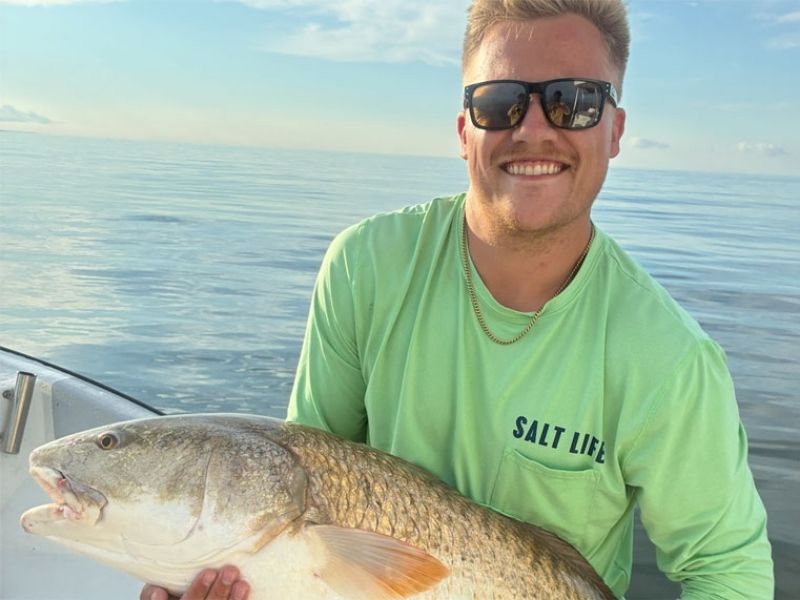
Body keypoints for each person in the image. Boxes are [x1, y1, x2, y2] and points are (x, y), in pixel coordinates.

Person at [142, 0, 774, 598]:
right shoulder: (366, 266)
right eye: (499, 102)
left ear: (615, 130)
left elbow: (728, 569)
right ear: (464, 130)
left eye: (574, 102)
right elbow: (308, 482)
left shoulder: (669, 356)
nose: (531, 129)